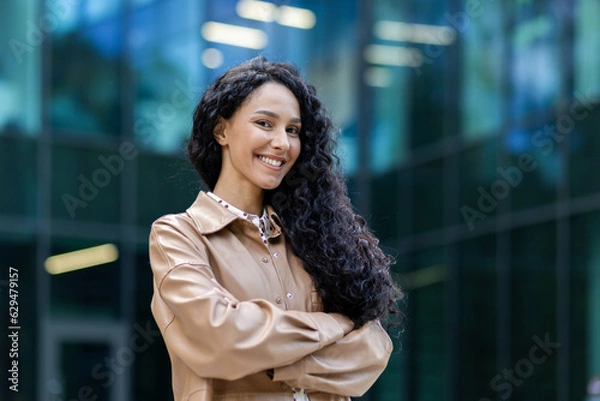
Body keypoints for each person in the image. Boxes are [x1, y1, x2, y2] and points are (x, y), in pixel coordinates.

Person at [149, 56, 402, 401]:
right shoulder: (179, 236)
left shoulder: (316, 236)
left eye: (293, 130)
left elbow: (373, 350)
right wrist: (337, 326)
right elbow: (222, 337)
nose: (282, 143)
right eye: (265, 123)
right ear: (221, 130)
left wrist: (271, 358)